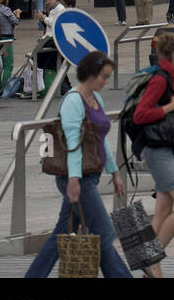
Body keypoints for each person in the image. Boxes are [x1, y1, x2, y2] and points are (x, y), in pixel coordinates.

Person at [25, 51, 131, 279]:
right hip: (78, 178)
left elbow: (100, 140)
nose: (106, 81)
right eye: (103, 76)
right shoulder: (74, 100)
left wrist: (114, 173)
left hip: (89, 174)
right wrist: (73, 180)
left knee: (63, 232)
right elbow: (72, 143)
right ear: (90, 74)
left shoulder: (95, 97)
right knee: (103, 231)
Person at [132, 32, 174, 277]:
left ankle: (151, 268)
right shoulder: (161, 80)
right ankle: (151, 258)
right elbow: (141, 115)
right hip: (158, 149)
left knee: (162, 212)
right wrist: (169, 107)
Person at [0, 0, 21, 88]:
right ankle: (4, 87)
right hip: (7, 38)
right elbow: (16, 21)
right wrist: (17, 14)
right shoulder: (5, 9)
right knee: (8, 64)